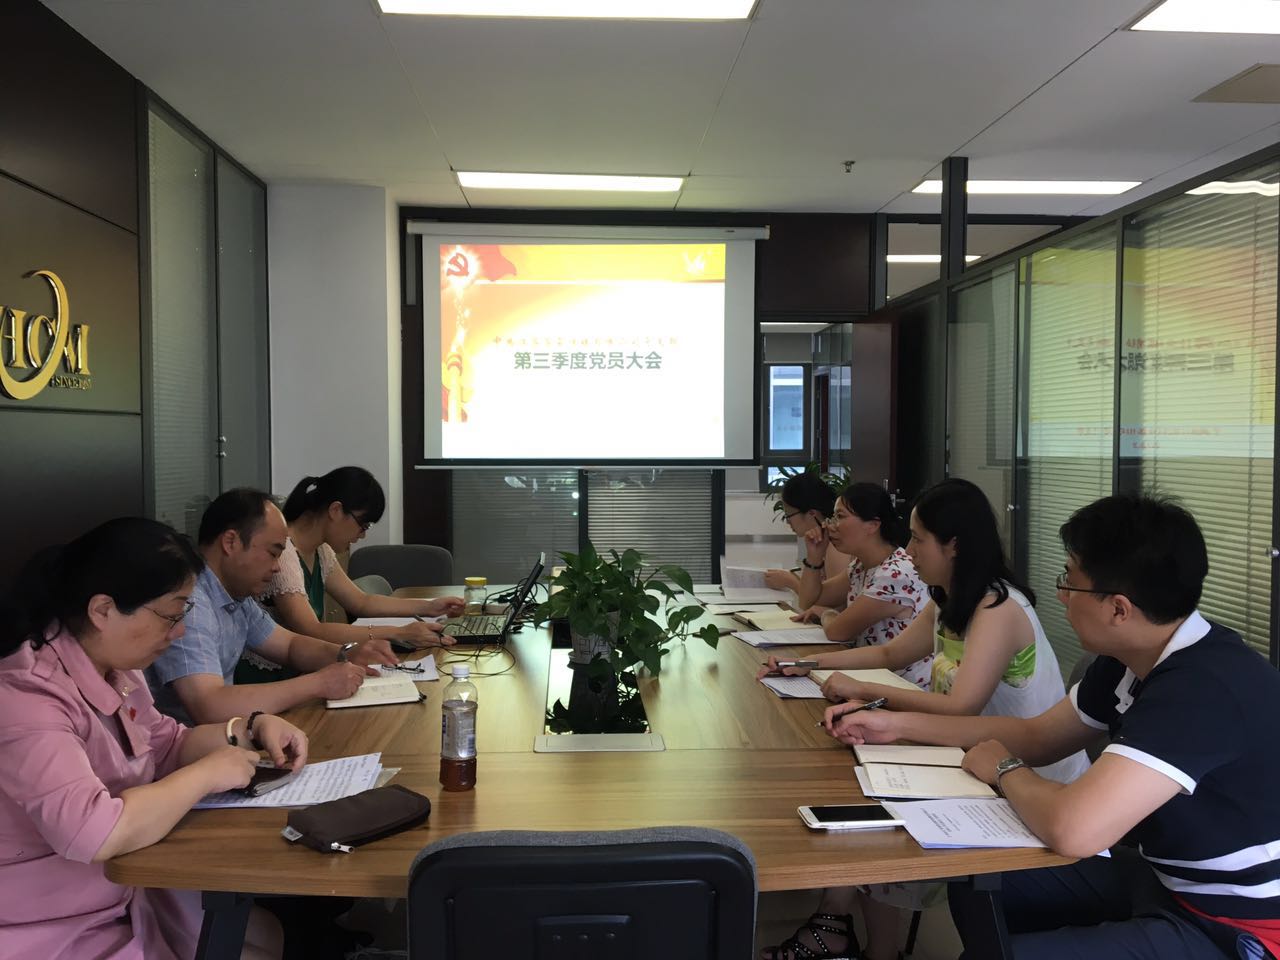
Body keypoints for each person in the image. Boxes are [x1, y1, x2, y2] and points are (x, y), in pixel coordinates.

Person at [827, 494, 1280, 960]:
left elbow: (1074, 829)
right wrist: (894, 725)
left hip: (1238, 924)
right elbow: (1039, 736)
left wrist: (1004, 768)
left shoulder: (1203, 688)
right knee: (975, 882)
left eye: (1070, 582)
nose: (1061, 595)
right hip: (1164, 881)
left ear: (1119, 609)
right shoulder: (1128, 659)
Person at [762, 478, 1086, 960]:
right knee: (861, 777)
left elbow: (961, 707)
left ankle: (868, 942)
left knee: (881, 806)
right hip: (970, 755)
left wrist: (866, 692)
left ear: (953, 545)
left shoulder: (996, 607)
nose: (909, 549)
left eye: (918, 539)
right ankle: (847, 928)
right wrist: (807, 664)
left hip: (1027, 776)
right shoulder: (948, 597)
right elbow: (891, 653)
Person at [0, 517, 307, 960]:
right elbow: (91, 831)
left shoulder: (117, 669)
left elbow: (165, 744)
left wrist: (248, 729)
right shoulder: (27, 698)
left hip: (123, 882)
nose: (179, 631)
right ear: (103, 610)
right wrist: (206, 775)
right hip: (45, 917)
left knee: (260, 936)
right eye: (171, 614)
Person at [148, 488, 398, 724]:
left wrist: (346, 654)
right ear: (231, 542)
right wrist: (318, 683)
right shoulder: (191, 603)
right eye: (273, 553)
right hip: (190, 746)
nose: (277, 567)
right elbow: (208, 704)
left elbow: (289, 645)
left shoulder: (236, 596)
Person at [262, 467, 463, 650]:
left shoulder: (321, 550)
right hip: (278, 673)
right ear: (335, 510)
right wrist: (399, 633)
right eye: (363, 525)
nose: (363, 535)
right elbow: (311, 630)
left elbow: (361, 602)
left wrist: (429, 607)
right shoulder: (283, 552)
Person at [757, 481, 931, 689]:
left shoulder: (895, 573)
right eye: (833, 516)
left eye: (840, 517)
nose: (830, 525)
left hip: (901, 686)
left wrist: (827, 613)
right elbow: (809, 599)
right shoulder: (860, 565)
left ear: (873, 525)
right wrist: (814, 557)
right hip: (872, 678)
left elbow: (837, 631)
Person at [763, 472, 852, 594]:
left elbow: (835, 601)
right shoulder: (820, 542)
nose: (788, 521)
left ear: (811, 513)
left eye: (789, 515)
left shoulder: (835, 547)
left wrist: (791, 582)